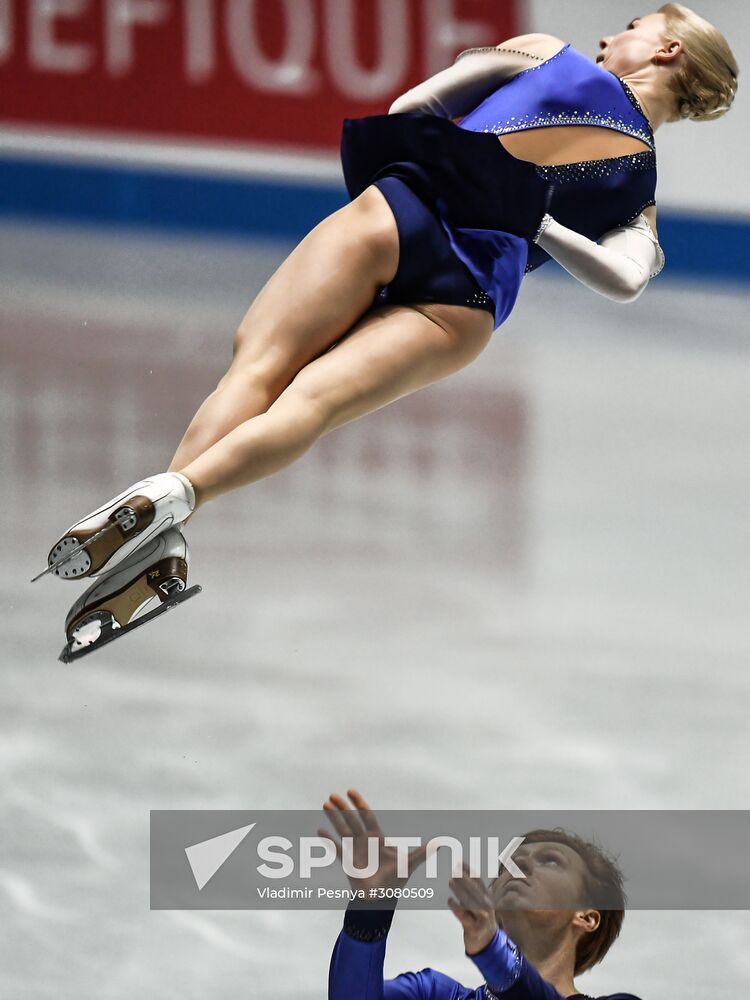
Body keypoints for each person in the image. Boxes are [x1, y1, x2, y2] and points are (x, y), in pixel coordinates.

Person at [39, 6, 738, 656]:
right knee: (311, 406)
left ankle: (164, 521)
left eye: (630, 26)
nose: (608, 40)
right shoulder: (641, 196)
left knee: (258, 369)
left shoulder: (544, 53)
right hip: (470, 296)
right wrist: (543, 223)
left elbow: (411, 108)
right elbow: (624, 282)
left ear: (667, 47)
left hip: (401, 214)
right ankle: (178, 501)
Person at [322, 789, 638, 1000]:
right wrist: (371, 908)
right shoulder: (432, 993)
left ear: (587, 915)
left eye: (550, 861)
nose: (520, 866)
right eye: (508, 866)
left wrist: (492, 950)